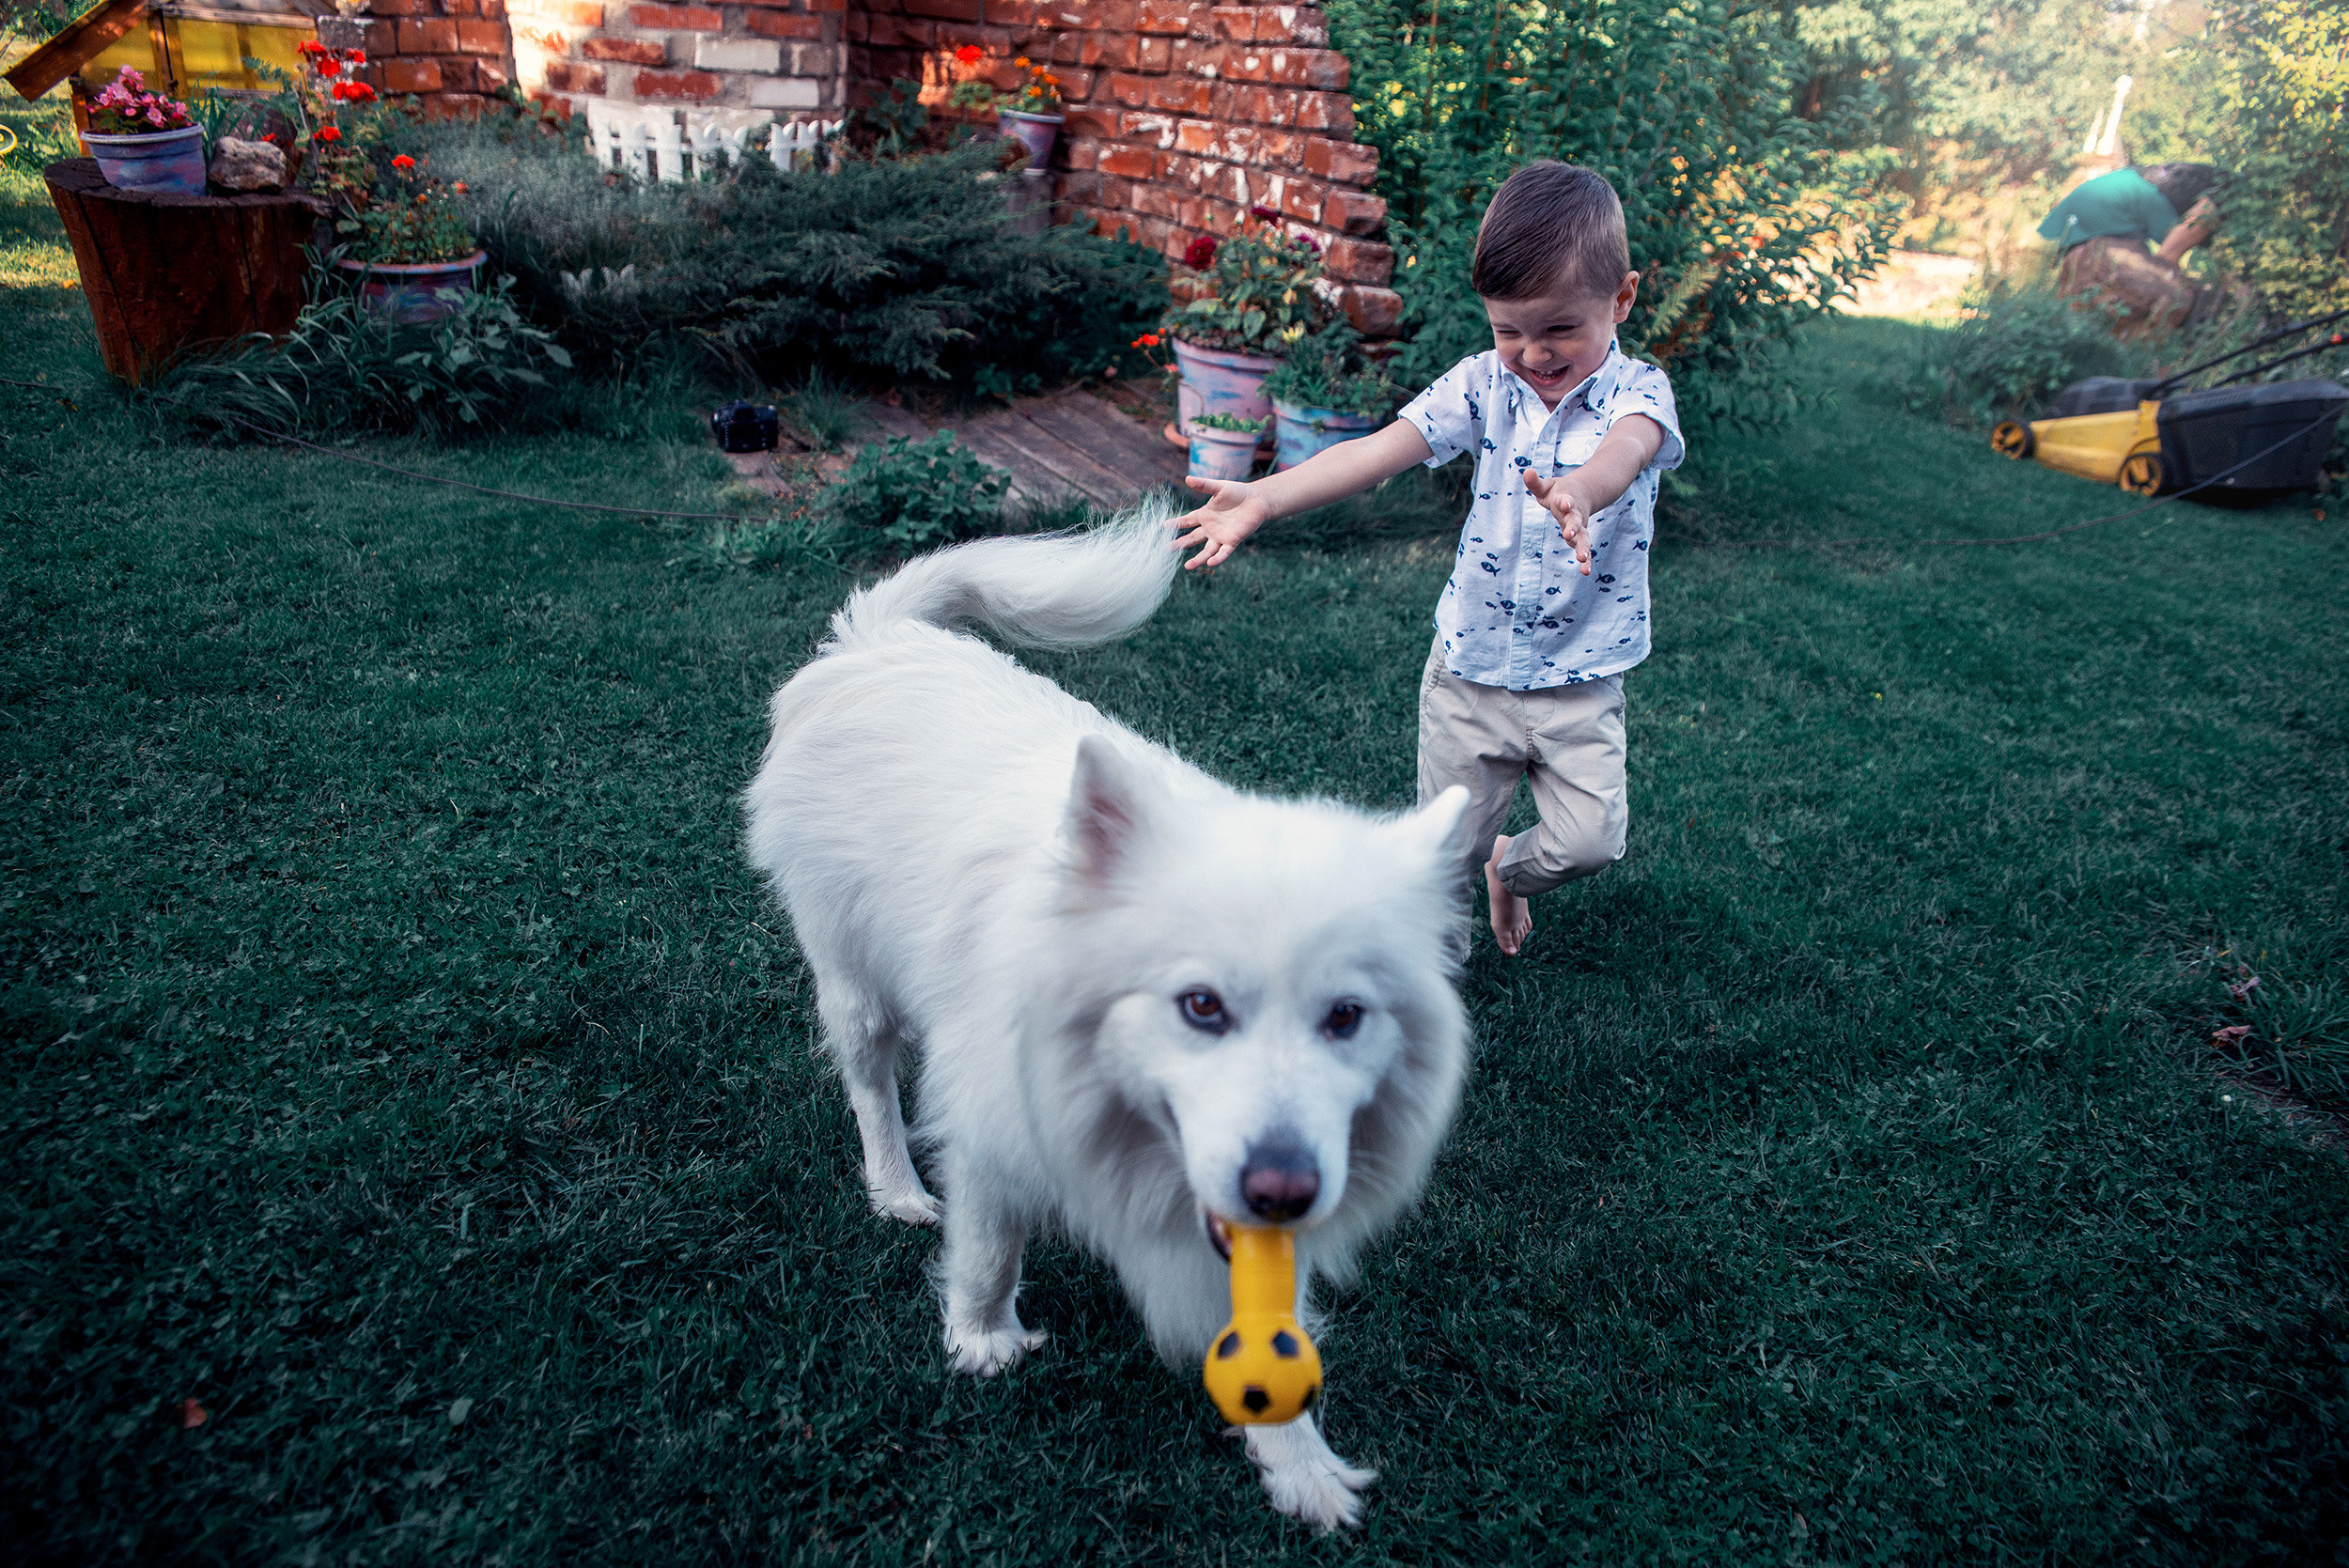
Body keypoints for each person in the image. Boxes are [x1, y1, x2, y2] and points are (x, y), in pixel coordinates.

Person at [1171, 161, 1683, 956]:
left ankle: (1512, 867)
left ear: (1621, 299)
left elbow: (1627, 450)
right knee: (1443, 862)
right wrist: (1267, 497)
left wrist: (1581, 490)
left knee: (1593, 841)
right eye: (1508, 329)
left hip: (1580, 677)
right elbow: (1379, 451)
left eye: (1559, 330)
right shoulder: (1481, 386)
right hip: (1470, 674)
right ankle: (1432, 981)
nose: (1532, 352)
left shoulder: (1637, 391)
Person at [2038, 163, 2224, 335]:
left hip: (2079, 216)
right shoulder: (2161, 201)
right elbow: (2168, 255)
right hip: (2106, 214)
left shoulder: (2142, 179)